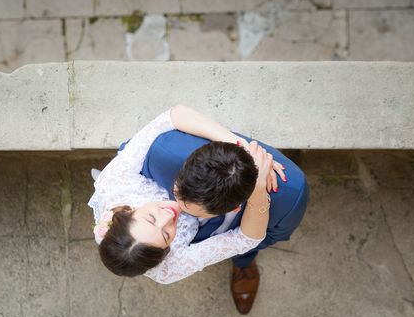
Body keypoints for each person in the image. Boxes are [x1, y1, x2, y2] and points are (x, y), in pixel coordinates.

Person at [138, 105, 310, 314]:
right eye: (177, 191)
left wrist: (257, 199)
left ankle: (243, 264)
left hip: (244, 227)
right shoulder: (162, 152)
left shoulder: (290, 196)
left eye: (189, 208)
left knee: (249, 246)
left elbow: (269, 236)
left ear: (235, 207)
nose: (172, 211)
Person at [88, 106, 274, 299]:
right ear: (166, 252)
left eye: (151, 218)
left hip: (189, 180)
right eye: (167, 235)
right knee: (243, 234)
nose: (169, 215)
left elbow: (172, 117)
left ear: (127, 211)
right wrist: (257, 187)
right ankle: (243, 264)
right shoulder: (170, 266)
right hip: (206, 218)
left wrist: (239, 147)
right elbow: (246, 239)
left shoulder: (116, 184)